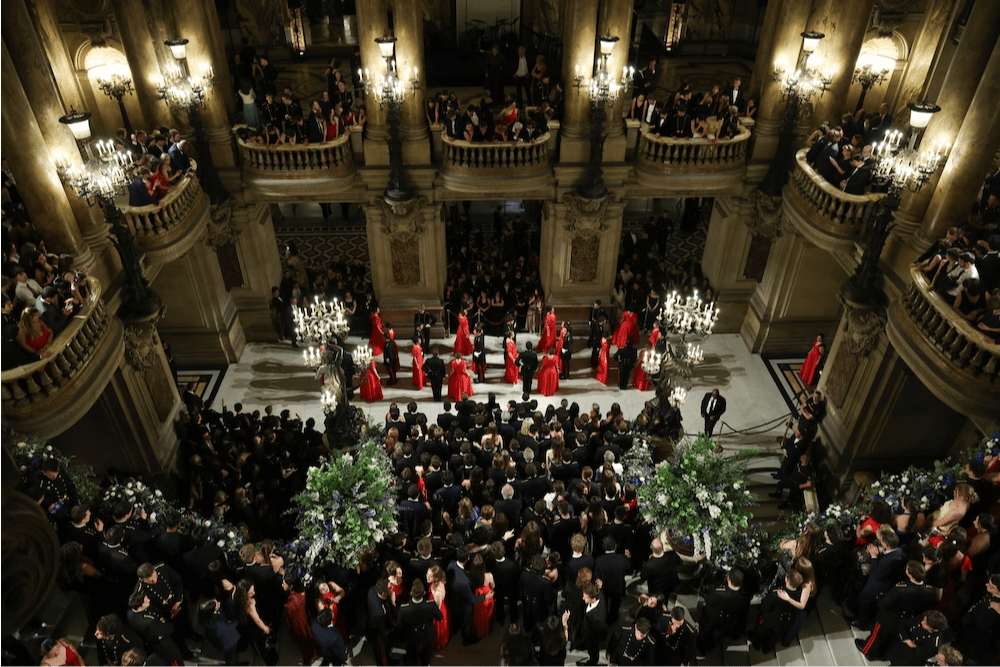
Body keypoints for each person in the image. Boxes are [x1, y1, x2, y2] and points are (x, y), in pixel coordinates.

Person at [398, 579, 442, 666]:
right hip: (427, 632)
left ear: (411, 593)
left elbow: (399, 625)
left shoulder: (404, 609)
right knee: (427, 651)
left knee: (411, 650)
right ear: (424, 593)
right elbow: (439, 617)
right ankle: (424, 663)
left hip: (411, 633)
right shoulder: (431, 605)